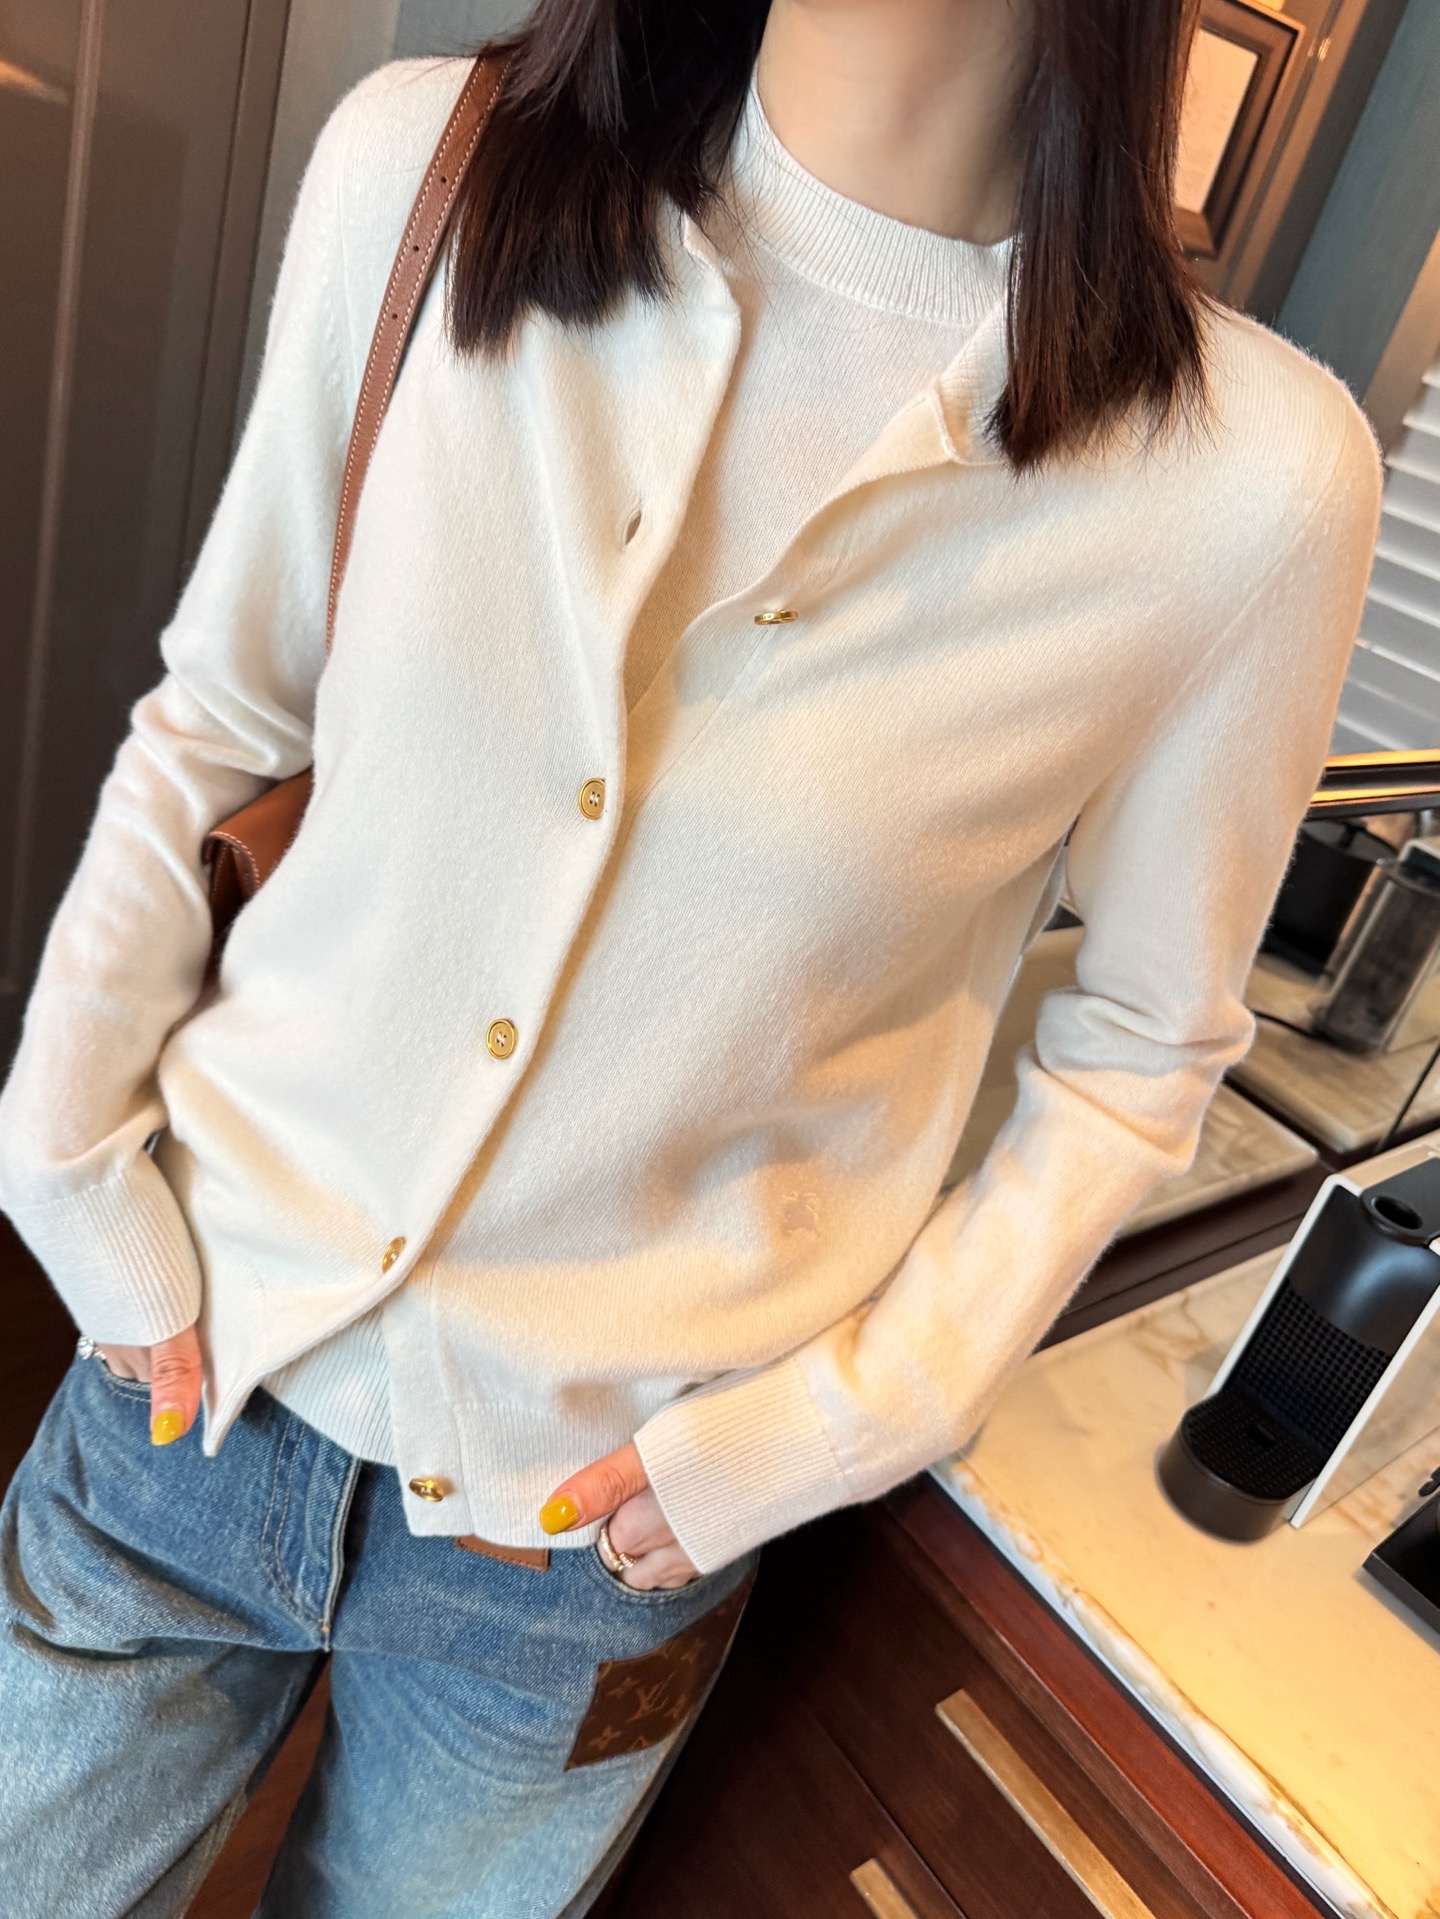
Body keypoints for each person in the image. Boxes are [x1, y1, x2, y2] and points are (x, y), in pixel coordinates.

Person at [0, 0, 1382, 1911]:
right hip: (187, 1357)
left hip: (595, 1541)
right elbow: (226, 713)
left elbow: (1144, 1040)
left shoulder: (1248, 483)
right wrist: (63, 1148)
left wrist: (861, 1414)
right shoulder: (426, 170)